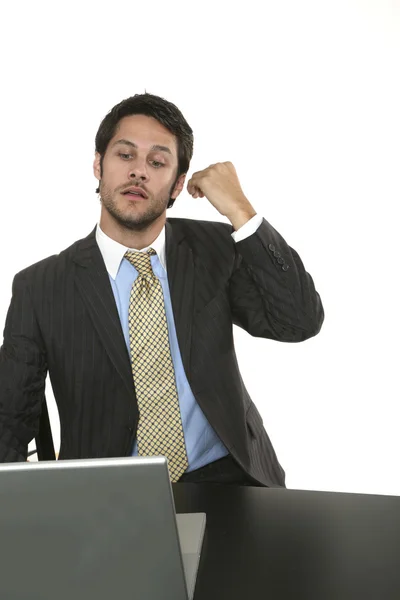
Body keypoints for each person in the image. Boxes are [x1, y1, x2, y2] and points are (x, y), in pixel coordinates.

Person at [0, 93, 324, 486]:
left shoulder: (215, 249)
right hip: (106, 494)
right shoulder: (40, 287)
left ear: (177, 185)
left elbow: (299, 322)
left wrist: (241, 210)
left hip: (229, 477)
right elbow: (10, 421)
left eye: (158, 162)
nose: (139, 172)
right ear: (98, 165)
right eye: (125, 156)